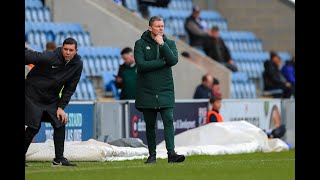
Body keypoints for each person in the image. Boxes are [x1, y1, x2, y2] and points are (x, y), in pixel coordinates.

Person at [134, 15, 185, 164]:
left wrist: (162, 45)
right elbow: (141, 65)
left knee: (168, 120)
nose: (160, 28)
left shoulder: (169, 43)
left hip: (165, 89)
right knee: (150, 125)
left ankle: (171, 154)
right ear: (150, 28)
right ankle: (152, 156)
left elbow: (173, 60)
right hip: (147, 91)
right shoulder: (140, 44)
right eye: (157, 26)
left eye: (162, 26)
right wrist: (163, 62)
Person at [25, 37, 82, 167]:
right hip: (32, 94)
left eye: (70, 50)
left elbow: (70, 87)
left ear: (76, 51)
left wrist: (61, 107)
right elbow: (30, 56)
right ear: (62, 48)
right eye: (65, 49)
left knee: (60, 122)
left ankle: (59, 159)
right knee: (34, 126)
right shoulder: (50, 56)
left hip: (51, 98)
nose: (67, 52)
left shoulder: (78, 64)